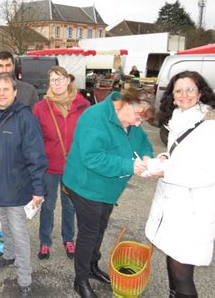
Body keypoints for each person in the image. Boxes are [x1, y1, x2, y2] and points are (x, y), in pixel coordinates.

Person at [145, 71, 215, 298]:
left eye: (190, 89)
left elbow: (210, 173)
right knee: (173, 262)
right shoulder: (181, 117)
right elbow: (183, 155)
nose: (184, 95)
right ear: (172, 96)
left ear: (200, 92)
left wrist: (166, 170)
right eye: (179, 90)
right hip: (177, 206)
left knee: (182, 272)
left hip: (193, 210)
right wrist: (166, 157)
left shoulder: (213, 125)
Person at [63, 88, 155, 298]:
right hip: (86, 186)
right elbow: (92, 157)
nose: (138, 124)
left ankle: (92, 266)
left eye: (142, 121)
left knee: (100, 227)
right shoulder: (94, 117)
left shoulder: (132, 119)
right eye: (138, 118)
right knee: (89, 231)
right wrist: (129, 166)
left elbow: (143, 144)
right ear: (126, 102)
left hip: (108, 190)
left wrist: (148, 158)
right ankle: (81, 279)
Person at [0, 74, 47, 297]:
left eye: (6, 89)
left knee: (19, 232)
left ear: (15, 92)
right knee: (4, 225)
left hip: (16, 187)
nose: (1, 93)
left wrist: (38, 189)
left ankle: (25, 278)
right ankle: (8, 256)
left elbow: (36, 156)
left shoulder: (25, 118)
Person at [33, 66, 90, 260]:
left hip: (73, 166)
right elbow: (34, 139)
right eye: (52, 80)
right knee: (47, 206)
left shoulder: (83, 105)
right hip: (49, 166)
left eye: (60, 79)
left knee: (70, 205)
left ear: (68, 80)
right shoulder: (41, 107)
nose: (56, 83)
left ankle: (69, 239)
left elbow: (90, 136)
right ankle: (44, 242)